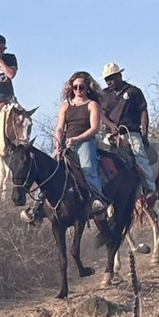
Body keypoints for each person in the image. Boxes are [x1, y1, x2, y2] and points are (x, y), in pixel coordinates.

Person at [53, 71, 107, 217]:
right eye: (75, 87)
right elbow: (59, 128)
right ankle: (37, 206)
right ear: (71, 88)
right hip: (67, 143)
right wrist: (58, 144)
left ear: (87, 88)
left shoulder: (92, 105)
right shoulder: (65, 106)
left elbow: (94, 128)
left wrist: (76, 139)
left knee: (87, 168)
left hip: (85, 142)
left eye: (81, 87)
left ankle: (97, 199)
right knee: (51, 168)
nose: (78, 90)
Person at [99, 62, 156, 199]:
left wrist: (145, 134)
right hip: (109, 134)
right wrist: (111, 125)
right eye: (107, 79)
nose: (109, 81)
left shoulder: (133, 91)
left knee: (139, 155)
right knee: (99, 156)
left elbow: (143, 112)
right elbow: (100, 114)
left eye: (111, 77)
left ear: (119, 75)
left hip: (130, 132)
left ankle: (150, 189)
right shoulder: (103, 94)